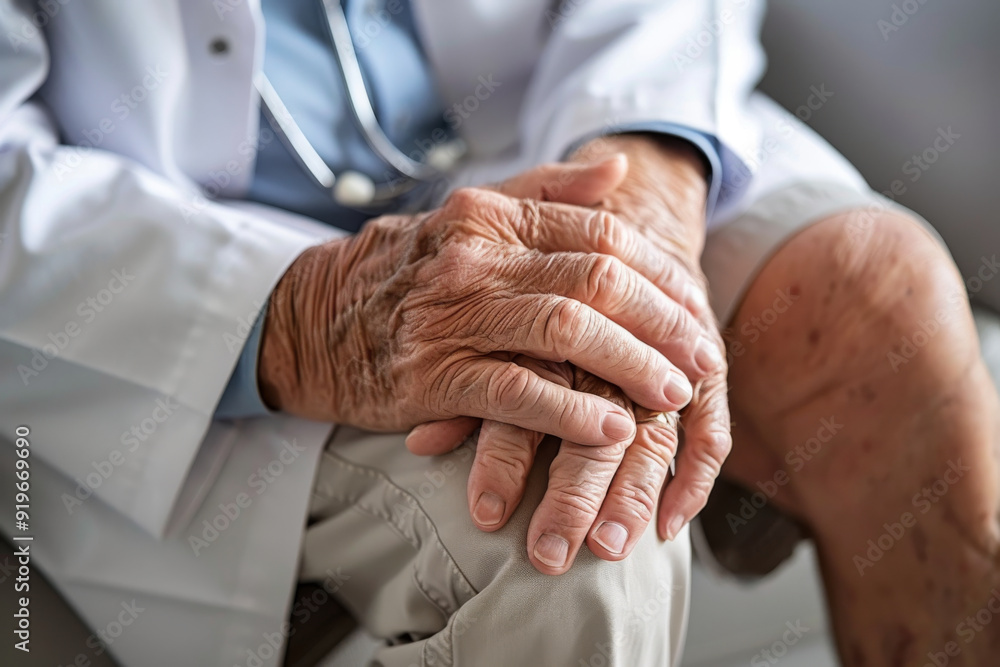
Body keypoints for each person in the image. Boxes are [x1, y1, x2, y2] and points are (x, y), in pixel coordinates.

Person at [0, 1, 997, 666]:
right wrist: (305, 315)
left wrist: (637, 183)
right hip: (176, 256)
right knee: (563, 541)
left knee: (881, 300)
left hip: (544, 128)